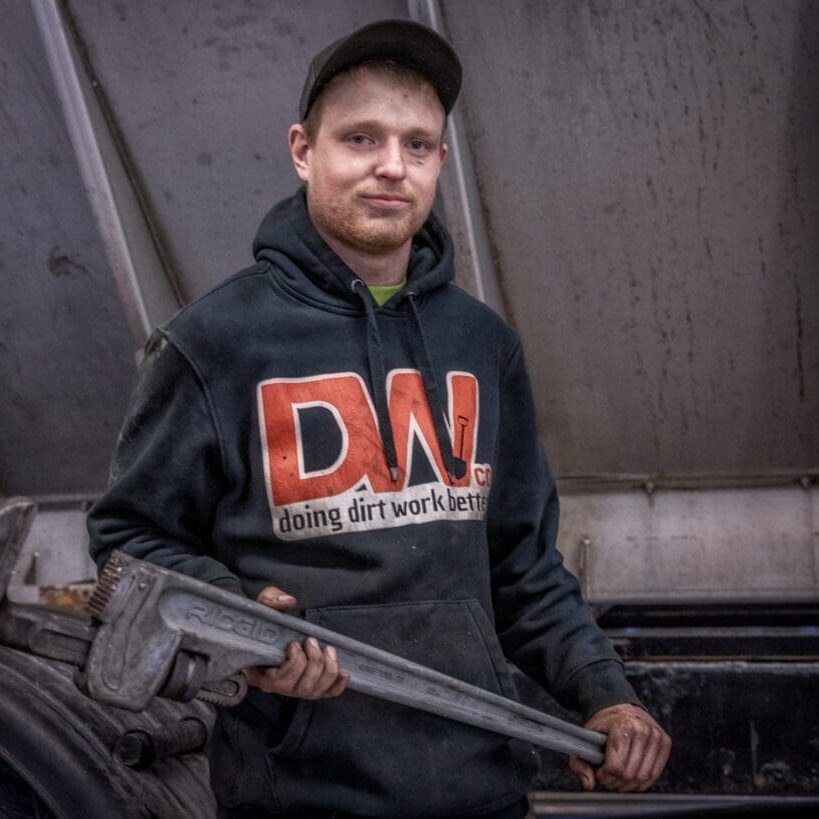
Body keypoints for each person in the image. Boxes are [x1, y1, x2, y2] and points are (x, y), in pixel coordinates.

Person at [88, 18, 671, 819]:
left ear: (438, 160)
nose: (391, 167)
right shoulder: (211, 344)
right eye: (360, 138)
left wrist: (605, 696)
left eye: (418, 144)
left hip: (481, 784)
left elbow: (521, 565)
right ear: (303, 150)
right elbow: (129, 539)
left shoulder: (481, 344)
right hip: (297, 789)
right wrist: (241, 622)